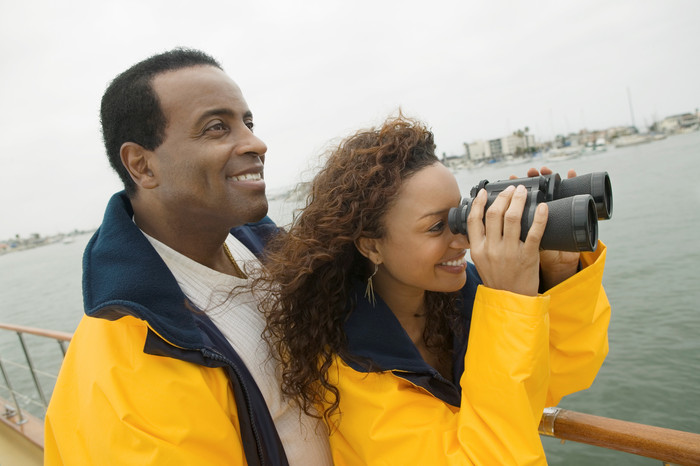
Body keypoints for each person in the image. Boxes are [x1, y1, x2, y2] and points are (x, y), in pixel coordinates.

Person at [255, 115, 611, 464]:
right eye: (436, 226)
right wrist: (511, 303)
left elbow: (557, 377)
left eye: (462, 215)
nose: (463, 239)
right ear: (371, 245)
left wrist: (558, 274)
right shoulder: (346, 364)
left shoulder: (459, 298)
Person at [44, 48, 332, 465]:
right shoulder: (133, 353)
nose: (255, 142)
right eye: (217, 128)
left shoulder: (269, 251)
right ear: (141, 166)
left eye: (247, 123)